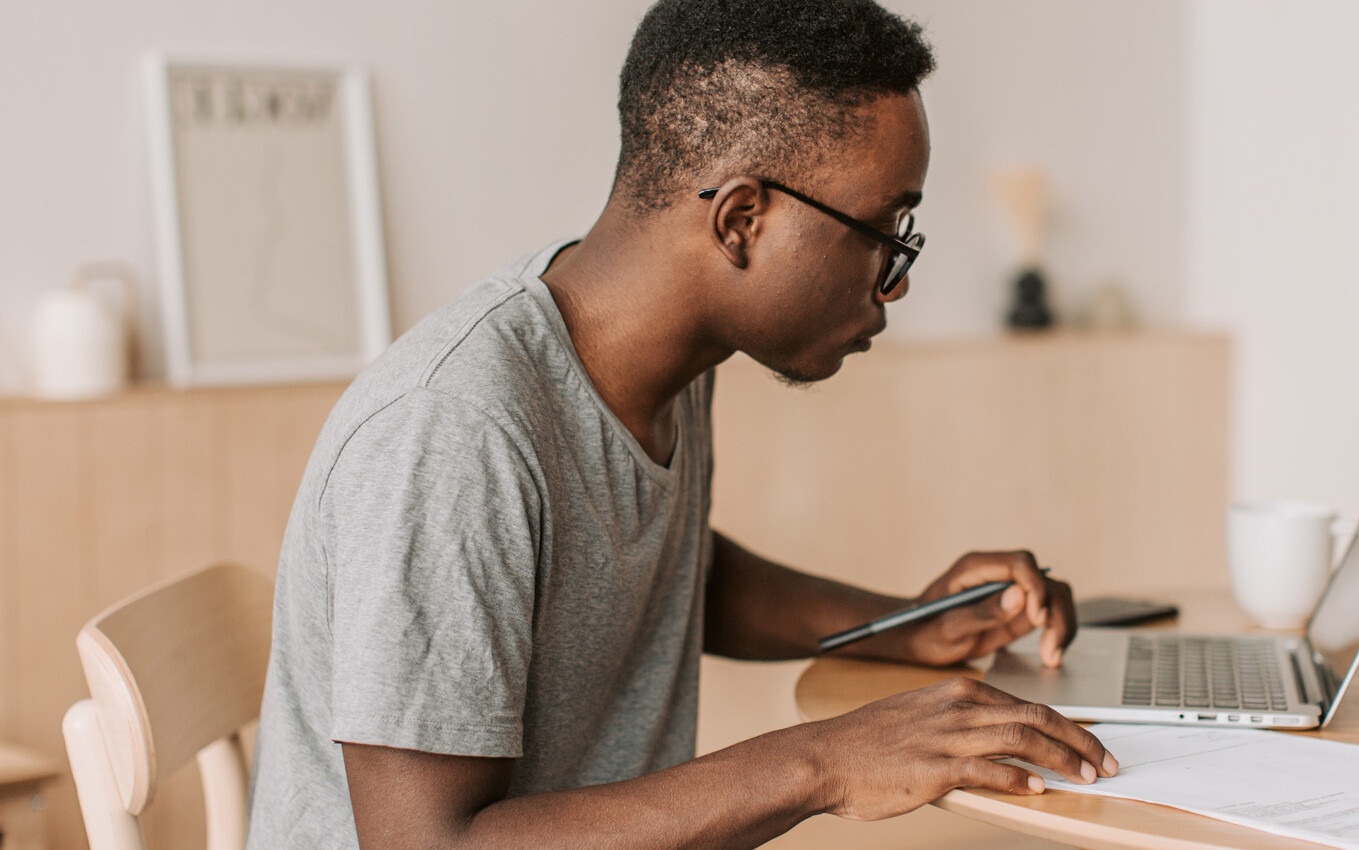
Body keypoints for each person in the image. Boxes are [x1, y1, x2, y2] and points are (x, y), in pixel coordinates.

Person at [247, 1, 1114, 847]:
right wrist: (826, 761)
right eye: (881, 230)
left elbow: (660, 579)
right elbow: (424, 843)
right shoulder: (454, 430)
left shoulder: (660, 362)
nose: (895, 280)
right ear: (741, 221)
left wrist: (903, 626)